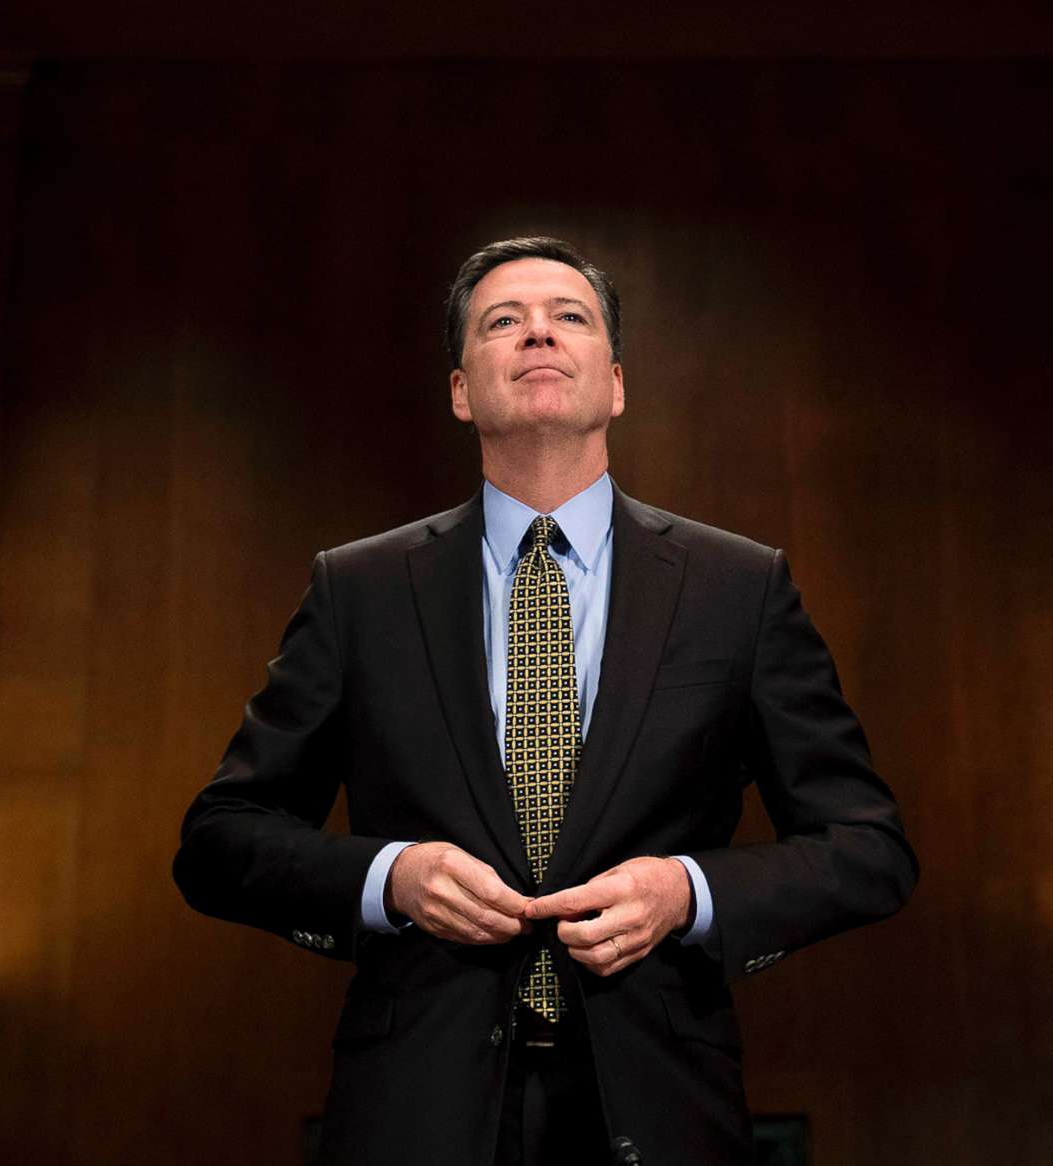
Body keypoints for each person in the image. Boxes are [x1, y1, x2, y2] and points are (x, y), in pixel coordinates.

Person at [174, 236, 917, 1165]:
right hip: (417, 1114)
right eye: (503, 322)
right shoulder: (359, 589)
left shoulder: (740, 586)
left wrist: (685, 892)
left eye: (569, 317)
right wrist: (390, 878)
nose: (537, 332)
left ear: (613, 384)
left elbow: (868, 848)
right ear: (460, 390)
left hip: (657, 1106)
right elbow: (219, 838)